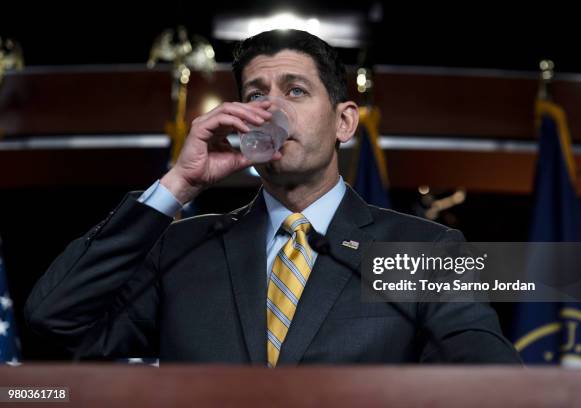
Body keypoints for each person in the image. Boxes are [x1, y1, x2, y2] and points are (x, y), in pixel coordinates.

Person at [25, 29, 520, 365]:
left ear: (344, 120)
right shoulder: (183, 249)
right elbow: (55, 321)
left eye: (296, 91)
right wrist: (178, 184)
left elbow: (490, 377)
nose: (270, 110)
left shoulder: (421, 252)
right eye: (256, 94)